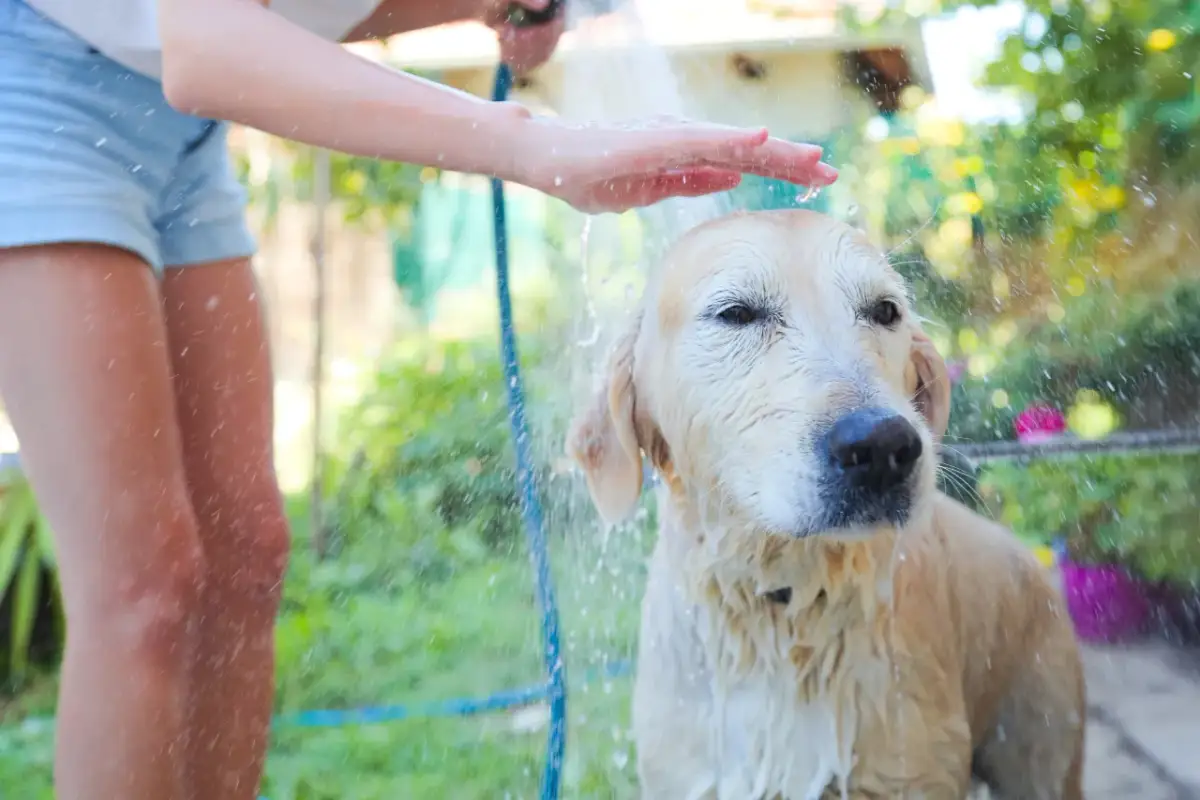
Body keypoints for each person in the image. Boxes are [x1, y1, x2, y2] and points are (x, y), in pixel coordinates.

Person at [0, 0, 838, 798]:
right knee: (144, 588)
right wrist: (533, 145)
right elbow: (204, 44)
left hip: (179, 131)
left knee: (245, 559)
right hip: (35, 90)